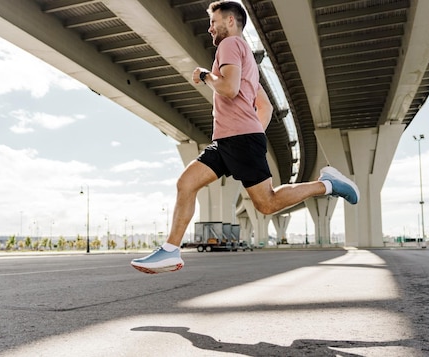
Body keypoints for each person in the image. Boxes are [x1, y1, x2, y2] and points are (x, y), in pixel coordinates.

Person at [131, 1, 359, 274]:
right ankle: (170, 251)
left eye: (213, 22)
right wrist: (250, 132)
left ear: (230, 21)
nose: (209, 28)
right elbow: (265, 106)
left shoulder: (229, 46)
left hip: (238, 140)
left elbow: (228, 88)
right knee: (186, 183)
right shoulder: (246, 58)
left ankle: (327, 185)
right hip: (230, 140)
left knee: (267, 203)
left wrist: (205, 75)